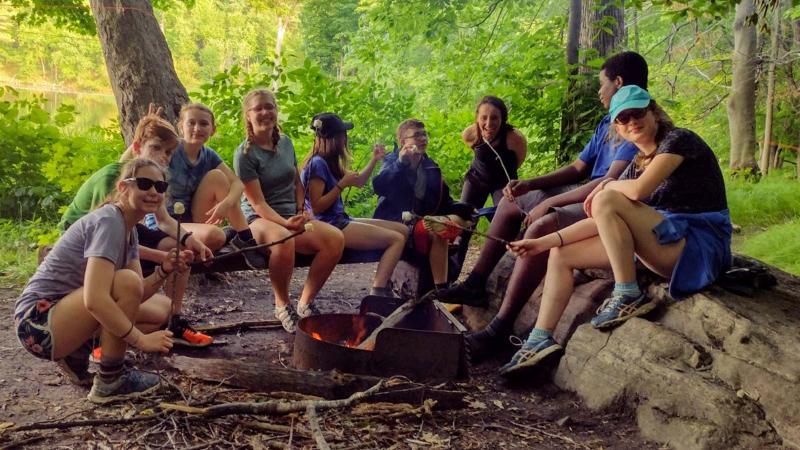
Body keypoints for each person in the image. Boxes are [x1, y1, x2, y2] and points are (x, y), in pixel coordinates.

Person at [499, 85, 732, 377]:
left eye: (638, 113)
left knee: (606, 197)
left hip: (697, 247)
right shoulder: (636, 163)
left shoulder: (679, 140)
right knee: (561, 254)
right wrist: (541, 243)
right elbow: (603, 218)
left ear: (654, 113)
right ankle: (540, 339)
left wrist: (605, 188)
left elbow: (637, 191)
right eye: (623, 119)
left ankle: (627, 294)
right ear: (617, 129)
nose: (632, 121)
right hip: (666, 239)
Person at [437, 52, 646, 362]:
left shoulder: (634, 120)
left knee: (542, 225)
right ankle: (475, 283)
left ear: (618, 83)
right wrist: (531, 184)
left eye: (602, 85)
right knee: (512, 202)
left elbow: (607, 183)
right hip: (584, 190)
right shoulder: (608, 120)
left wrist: (549, 201)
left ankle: (500, 329)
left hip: (608, 203)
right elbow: (578, 168)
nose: (599, 92)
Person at [15, 158, 188, 403]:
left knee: (161, 308)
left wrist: (164, 270)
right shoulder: (109, 222)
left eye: (160, 187)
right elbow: (96, 299)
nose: (153, 191)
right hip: (37, 325)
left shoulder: (129, 230)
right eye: (144, 183)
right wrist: (141, 340)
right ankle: (111, 379)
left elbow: (137, 293)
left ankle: (77, 352)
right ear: (123, 187)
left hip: (62, 314)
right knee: (125, 282)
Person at [58, 112, 215, 349]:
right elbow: (98, 232)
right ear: (137, 147)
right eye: (156, 148)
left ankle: (174, 319)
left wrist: (191, 243)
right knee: (126, 283)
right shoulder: (114, 181)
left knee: (175, 258)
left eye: (169, 152)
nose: (163, 156)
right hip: (87, 246)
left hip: (125, 234)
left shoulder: (154, 184)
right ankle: (96, 338)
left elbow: (164, 221)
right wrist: (162, 258)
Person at [234, 89, 345, 333]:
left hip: (289, 215)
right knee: (284, 242)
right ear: (248, 116)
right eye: (258, 108)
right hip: (258, 219)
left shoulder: (285, 143)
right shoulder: (245, 155)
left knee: (335, 239)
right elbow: (258, 204)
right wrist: (286, 225)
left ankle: (305, 302)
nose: (265, 112)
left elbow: (296, 182)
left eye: (270, 107)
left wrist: (300, 211)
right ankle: (282, 304)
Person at [143, 103, 264, 268]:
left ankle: (245, 240)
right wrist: (144, 129)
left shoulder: (209, 155)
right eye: (191, 123)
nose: (197, 128)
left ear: (213, 130)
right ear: (181, 127)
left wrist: (225, 204)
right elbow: (138, 159)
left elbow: (237, 184)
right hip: (165, 222)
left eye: (204, 124)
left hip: (191, 217)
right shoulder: (170, 150)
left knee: (217, 177)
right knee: (216, 236)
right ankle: (217, 243)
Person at [302, 113, 407, 297]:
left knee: (403, 230)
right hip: (329, 225)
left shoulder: (329, 161)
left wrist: (374, 159)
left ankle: (391, 279)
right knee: (396, 239)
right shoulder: (316, 164)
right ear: (334, 138)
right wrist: (341, 185)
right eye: (343, 134)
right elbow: (316, 207)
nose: (345, 138)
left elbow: (357, 182)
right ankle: (379, 290)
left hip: (340, 219)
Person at [372, 119, 475, 293]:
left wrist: (463, 208)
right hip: (397, 225)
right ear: (404, 142)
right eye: (417, 135)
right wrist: (401, 164)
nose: (423, 138)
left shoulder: (430, 166)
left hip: (424, 222)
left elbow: (444, 202)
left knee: (453, 222)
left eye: (424, 134)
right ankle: (442, 288)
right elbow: (379, 187)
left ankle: (444, 285)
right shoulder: (391, 161)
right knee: (437, 228)